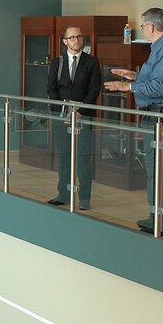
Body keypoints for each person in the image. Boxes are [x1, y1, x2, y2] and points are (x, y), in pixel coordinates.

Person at [104, 8, 163, 236]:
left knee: (161, 170)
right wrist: (135, 76)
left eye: (143, 25)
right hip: (159, 115)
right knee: (156, 169)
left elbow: (162, 87)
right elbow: (158, 78)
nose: (143, 29)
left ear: (151, 27)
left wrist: (129, 87)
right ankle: (157, 216)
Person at [46, 26, 101, 210]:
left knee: (84, 157)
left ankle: (84, 197)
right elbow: (51, 89)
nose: (77, 40)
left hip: (83, 116)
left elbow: (94, 90)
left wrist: (80, 111)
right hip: (61, 116)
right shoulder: (57, 62)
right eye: (72, 38)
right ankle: (64, 193)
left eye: (79, 37)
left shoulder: (92, 62)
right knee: (64, 155)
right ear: (65, 41)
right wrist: (61, 111)